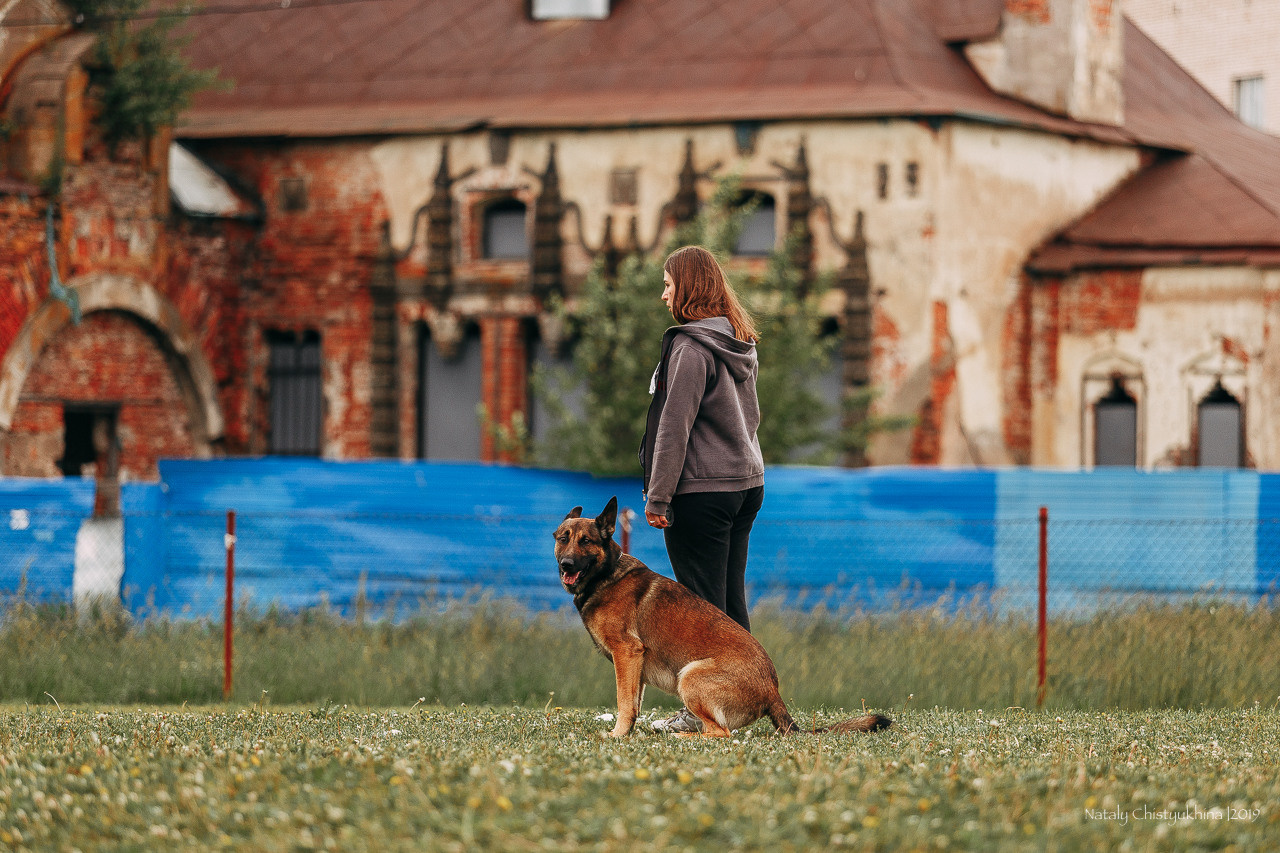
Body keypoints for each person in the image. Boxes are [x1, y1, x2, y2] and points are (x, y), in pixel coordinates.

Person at [639, 245, 766, 734]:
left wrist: (659, 496)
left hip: (702, 492)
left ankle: (704, 713)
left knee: (701, 610)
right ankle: (745, 703)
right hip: (744, 484)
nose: (663, 293)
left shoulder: (691, 348)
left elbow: (675, 427)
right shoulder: (738, 340)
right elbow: (751, 420)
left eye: (669, 284)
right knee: (729, 604)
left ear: (688, 288)